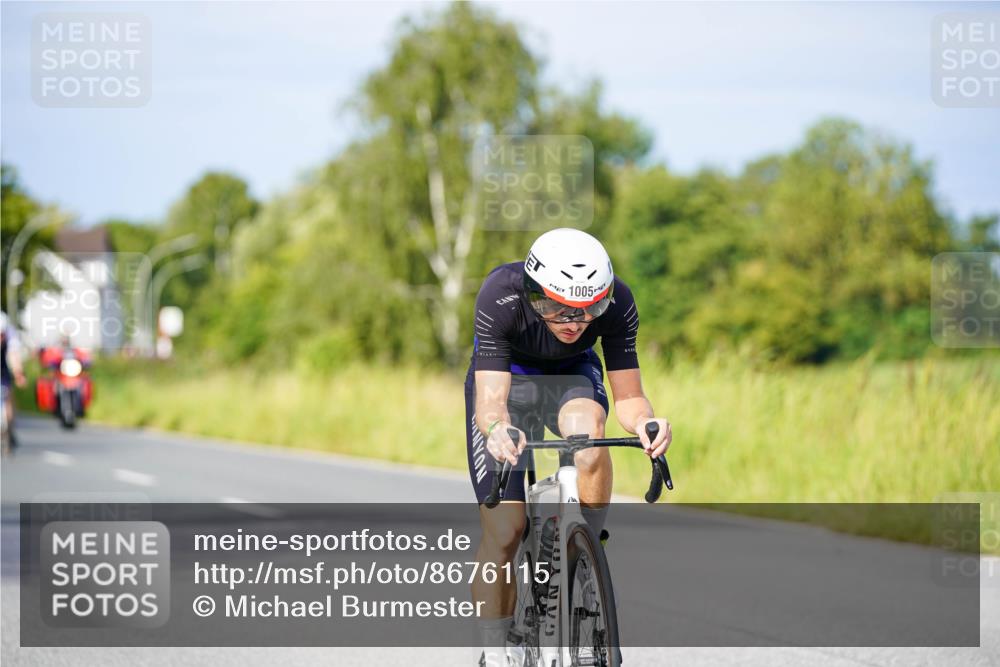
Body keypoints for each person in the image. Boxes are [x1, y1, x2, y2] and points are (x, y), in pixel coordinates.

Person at [465, 228, 672, 665]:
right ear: (533, 292)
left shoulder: (618, 302)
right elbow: (490, 401)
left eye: (588, 310)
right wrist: (499, 428)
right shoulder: (499, 295)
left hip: (572, 375)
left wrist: (646, 422)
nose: (574, 322)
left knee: (590, 437)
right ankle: (495, 649)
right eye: (556, 308)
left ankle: (583, 550)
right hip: (509, 384)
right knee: (504, 531)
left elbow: (630, 398)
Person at [1, 312, 28, 449]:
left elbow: (14, 356)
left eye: (1, 335)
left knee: (8, 395)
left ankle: (10, 430)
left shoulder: (10, 335)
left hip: (3, 368)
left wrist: (19, 374)